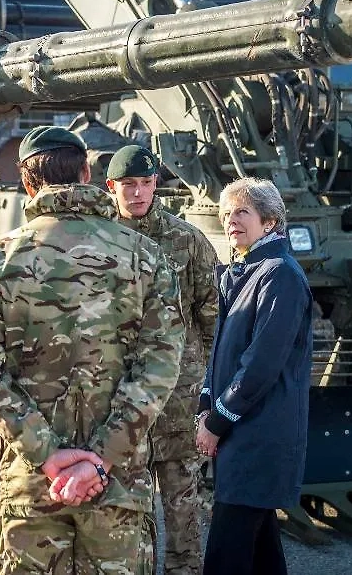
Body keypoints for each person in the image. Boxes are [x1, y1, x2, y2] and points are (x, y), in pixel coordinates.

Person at [0, 126, 185, 574]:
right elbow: (160, 363)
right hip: (117, 484)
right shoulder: (144, 255)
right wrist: (103, 458)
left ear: (27, 183)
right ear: (85, 174)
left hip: (34, 485)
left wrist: (47, 454)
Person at [105, 145, 218, 575]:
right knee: (127, 500)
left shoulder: (186, 238)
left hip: (177, 392)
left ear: (156, 184)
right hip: (119, 391)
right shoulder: (99, 239)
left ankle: (185, 569)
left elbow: (210, 312)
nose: (138, 193)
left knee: (182, 494)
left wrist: (207, 377)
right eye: (128, 185)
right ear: (111, 186)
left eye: (146, 183)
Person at [195, 177, 314, 575]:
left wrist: (216, 421)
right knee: (262, 554)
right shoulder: (244, 273)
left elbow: (260, 365)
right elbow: (221, 353)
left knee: (225, 556)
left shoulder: (279, 275)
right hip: (245, 433)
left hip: (259, 434)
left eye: (242, 212)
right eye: (226, 213)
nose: (231, 220)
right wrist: (206, 403)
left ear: (270, 222)